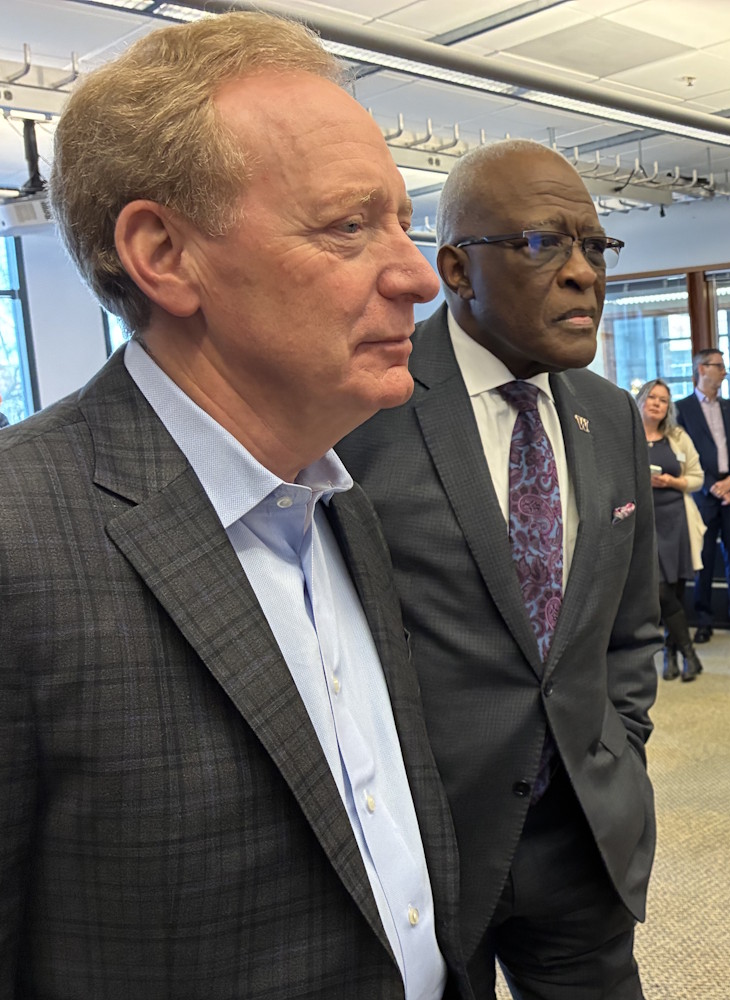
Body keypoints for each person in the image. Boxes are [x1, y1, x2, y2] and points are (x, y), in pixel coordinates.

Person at [0, 14, 471, 999]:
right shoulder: (19, 538)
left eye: (403, 220)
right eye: (350, 225)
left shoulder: (340, 504)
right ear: (165, 254)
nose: (418, 276)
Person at [338, 139, 659, 1000]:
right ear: (455, 268)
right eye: (540, 243)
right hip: (432, 846)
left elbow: (632, 627)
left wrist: (618, 748)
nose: (583, 273)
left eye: (595, 246)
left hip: (584, 835)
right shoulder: (368, 408)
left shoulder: (610, 416)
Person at [676, 348, 730, 643]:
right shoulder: (681, 409)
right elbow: (683, 455)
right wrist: (712, 484)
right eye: (719, 366)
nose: (725, 371)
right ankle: (704, 621)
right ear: (702, 369)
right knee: (705, 561)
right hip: (703, 494)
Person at [637, 378, 707, 682]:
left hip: (676, 520)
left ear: (668, 408)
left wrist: (672, 482)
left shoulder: (677, 437)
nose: (656, 403)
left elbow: (697, 478)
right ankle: (689, 653)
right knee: (661, 592)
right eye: (651, 397)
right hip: (644, 523)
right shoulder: (628, 434)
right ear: (640, 400)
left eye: (663, 400)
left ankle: (672, 656)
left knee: (675, 591)